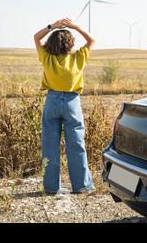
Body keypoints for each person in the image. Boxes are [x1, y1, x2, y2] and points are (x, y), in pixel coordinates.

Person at [33, 18, 95, 194]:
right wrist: (75, 26)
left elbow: (36, 37)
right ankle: (82, 185)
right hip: (71, 102)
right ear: (70, 43)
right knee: (76, 144)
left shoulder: (47, 57)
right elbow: (92, 41)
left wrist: (52, 26)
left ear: (51, 43)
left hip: (52, 101)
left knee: (50, 146)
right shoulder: (78, 57)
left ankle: (51, 188)